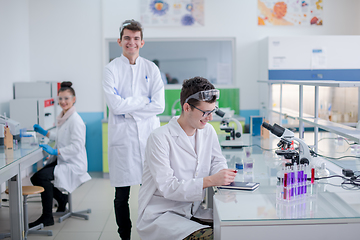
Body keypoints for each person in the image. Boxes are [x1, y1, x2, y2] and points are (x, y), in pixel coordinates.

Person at [137, 76, 236, 240]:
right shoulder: (159, 138)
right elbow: (168, 187)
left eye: (212, 111)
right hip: (162, 214)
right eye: (205, 112)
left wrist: (223, 175)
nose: (210, 118)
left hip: (192, 210)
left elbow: (217, 161)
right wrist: (211, 180)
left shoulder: (208, 131)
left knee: (233, 229)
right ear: (187, 107)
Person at [102, 19, 165, 240]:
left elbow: (159, 105)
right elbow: (115, 105)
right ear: (120, 41)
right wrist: (142, 101)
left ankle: (151, 232)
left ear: (142, 42)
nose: (131, 42)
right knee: (122, 196)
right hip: (124, 140)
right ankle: (125, 236)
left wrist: (129, 107)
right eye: (127, 38)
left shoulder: (151, 68)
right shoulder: (111, 70)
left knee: (153, 192)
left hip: (148, 138)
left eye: (136, 38)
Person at [30, 81, 91, 227]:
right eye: (61, 98)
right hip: (64, 160)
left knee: (41, 177)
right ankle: (61, 199)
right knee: (37, 177)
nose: (63, 102)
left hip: (73, 163)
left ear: (73, 99)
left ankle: (47, 217)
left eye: (67, 98)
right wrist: (46, 133)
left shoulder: (76, 121)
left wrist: (56, 151)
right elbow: (61, 135)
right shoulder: (64, 117)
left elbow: (77, 147)